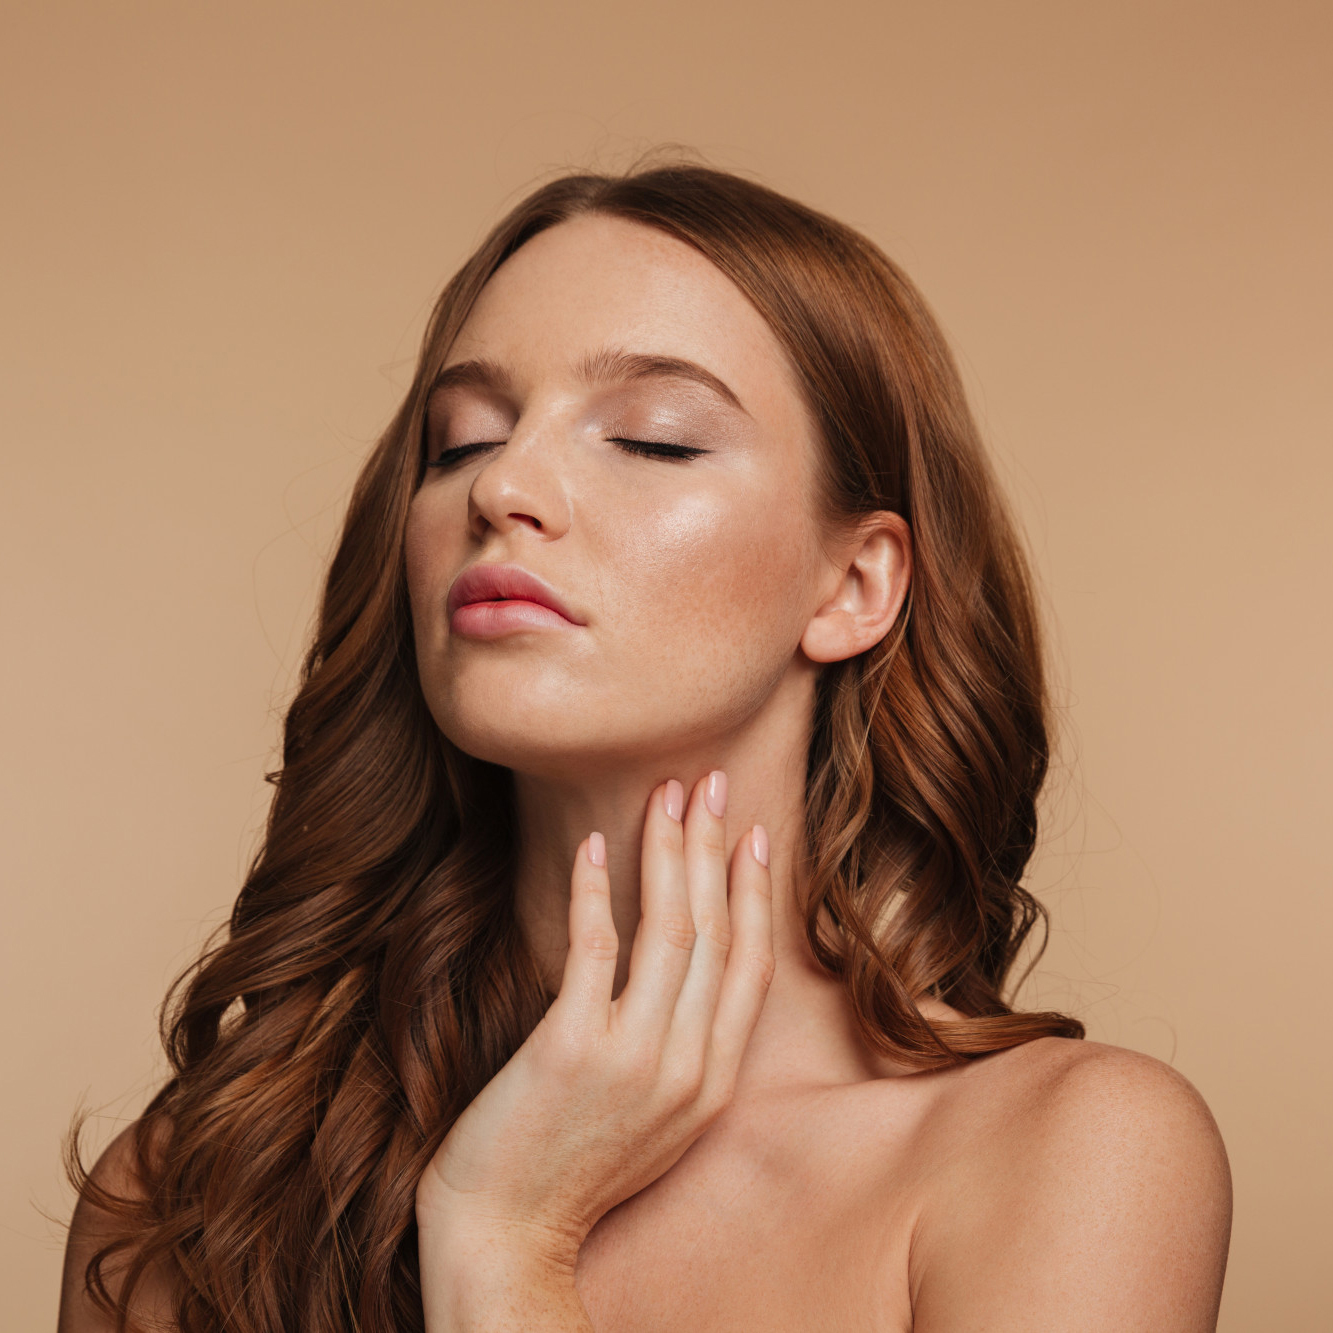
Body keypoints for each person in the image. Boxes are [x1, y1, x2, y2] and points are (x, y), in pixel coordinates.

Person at [58, 161, 1232, 1332]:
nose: (506, 484)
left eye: (654, 439)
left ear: (855, 582)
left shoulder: (1068, 1155)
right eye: (459, 442)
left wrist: (504, 1242)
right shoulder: (192, 1194)